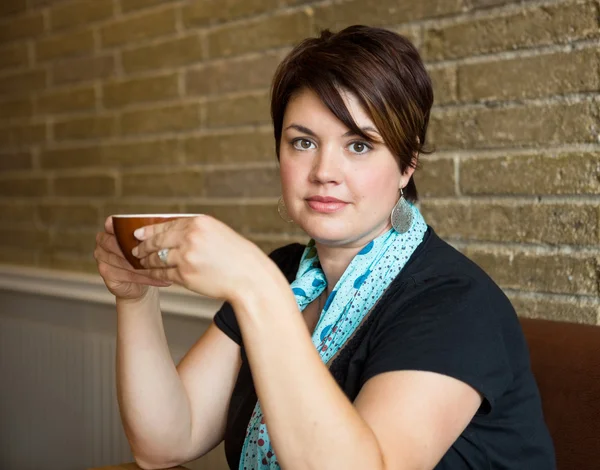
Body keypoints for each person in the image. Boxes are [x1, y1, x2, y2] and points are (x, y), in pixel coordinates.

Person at [94, 25, 556, 470]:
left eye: (358, 145)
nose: (323, 171)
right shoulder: (284, 272)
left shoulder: (455, 304)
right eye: (303, 142)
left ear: (407, 163)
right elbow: (165, 442)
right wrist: (136, 296)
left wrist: (255, 286)